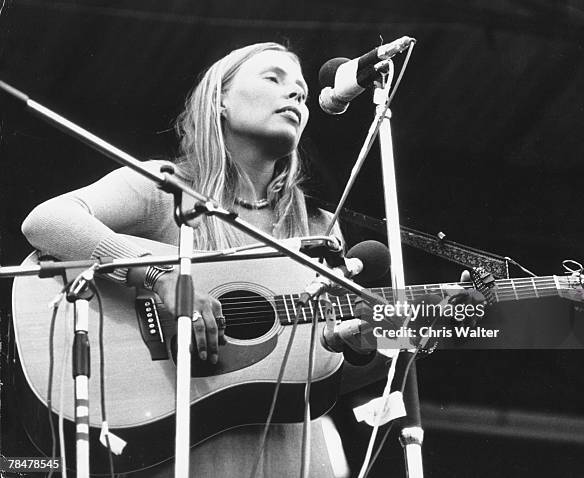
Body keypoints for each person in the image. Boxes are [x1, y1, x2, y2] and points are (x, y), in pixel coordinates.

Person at [22, 42, 348, 477]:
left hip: (294, 456)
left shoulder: (320, 226)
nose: (295, 96)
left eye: (303, 94)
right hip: (183, 451)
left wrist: (368, 343)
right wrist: (158, 277)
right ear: (220, 101)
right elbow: (47, 221)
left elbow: (329, 368)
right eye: (274, 79)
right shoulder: (166, 188)